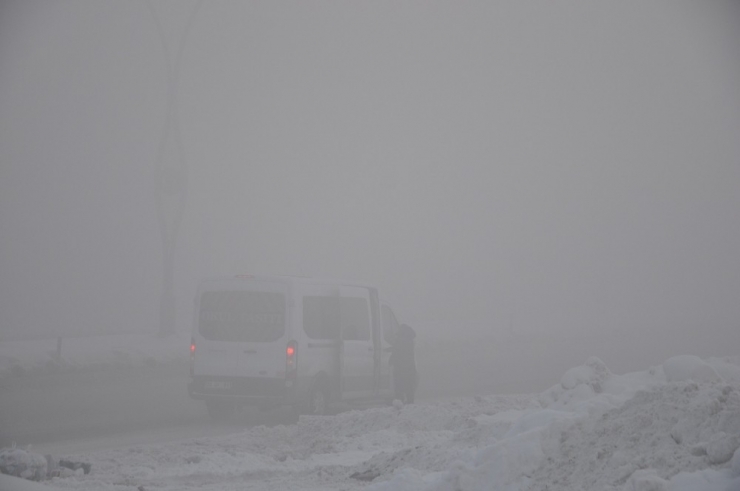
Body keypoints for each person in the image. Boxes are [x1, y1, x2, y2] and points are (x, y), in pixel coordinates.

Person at [389, 323, 418, 403]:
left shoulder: (399, 340)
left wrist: (391, 360)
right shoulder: (410, 341)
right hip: (410, 368)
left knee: (399, 387)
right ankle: (410, 403)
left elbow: (396, 352)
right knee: (409, 387)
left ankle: (399, 402)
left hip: (399, 368)